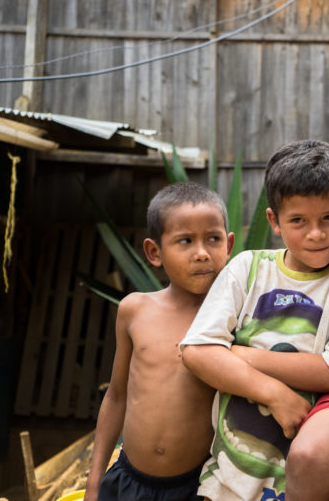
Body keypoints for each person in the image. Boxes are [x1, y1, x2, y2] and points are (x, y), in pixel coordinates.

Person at [180, 139, 329, 501]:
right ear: (274, 220)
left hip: (303, 482)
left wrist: (239, 355)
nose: (315, 233)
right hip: (226, 479)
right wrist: (275, 394)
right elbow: (197, 352)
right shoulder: (247, 269)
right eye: (298, 220)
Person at [84, 182, 235, 501]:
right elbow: (116, 396)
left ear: (229, 245)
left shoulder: (234, 320)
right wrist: (95, 479)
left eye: (213, 239)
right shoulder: (134, 310)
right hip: (126, 481)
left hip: (196, 487)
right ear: (154, 252)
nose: (202, 253)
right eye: (185, 241)